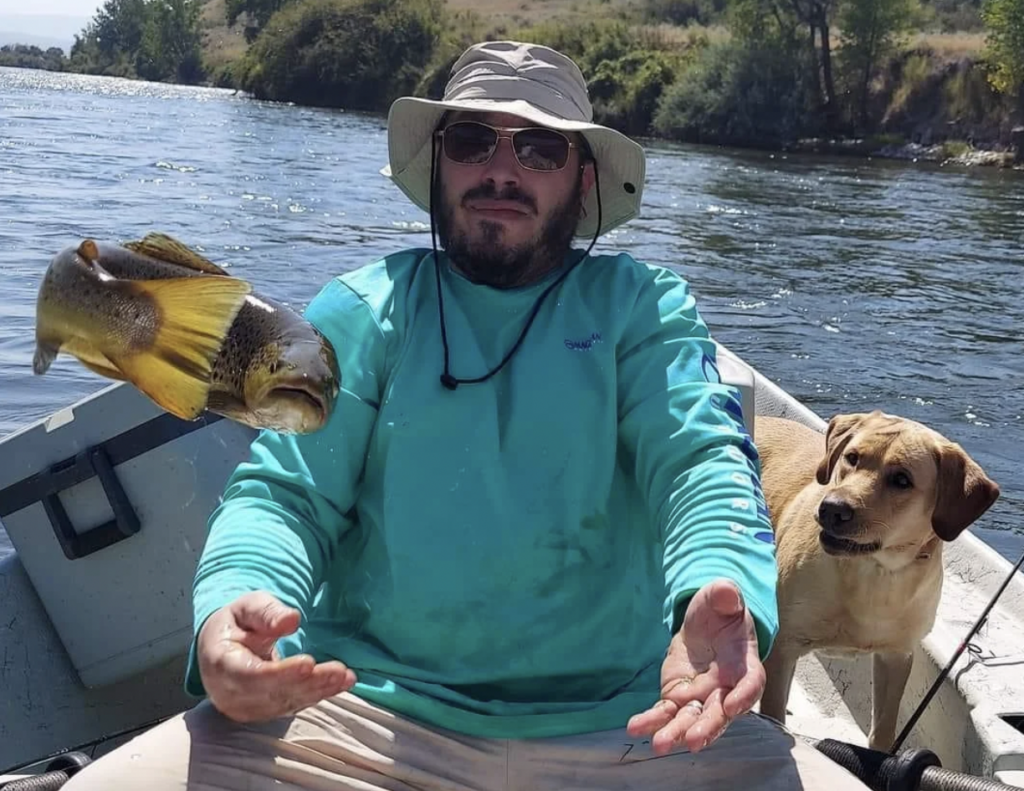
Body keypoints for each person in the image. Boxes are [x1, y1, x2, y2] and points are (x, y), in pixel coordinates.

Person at [64, 40, 870, 790]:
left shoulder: (645, 311)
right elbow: (286, 498)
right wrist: (231, 610)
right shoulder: (360, 311)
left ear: (583, 178)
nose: (501, 169)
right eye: (472, 142)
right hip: (357, 715)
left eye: (540, 148)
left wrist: (719, 584)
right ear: (439, 164)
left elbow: (700, 462)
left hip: (634, 726)